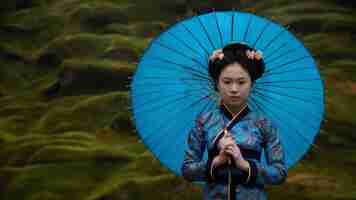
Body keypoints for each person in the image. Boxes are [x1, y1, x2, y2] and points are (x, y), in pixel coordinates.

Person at [181, 43, 288, 200]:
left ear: (252, 83)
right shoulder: (204, 121)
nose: (234, 89)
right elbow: (187, 169)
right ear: (217, 84)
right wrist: (217, 161)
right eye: (227, 81)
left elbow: (279, 173)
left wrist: (243, 164)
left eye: (241, 82)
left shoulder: (264, 124)